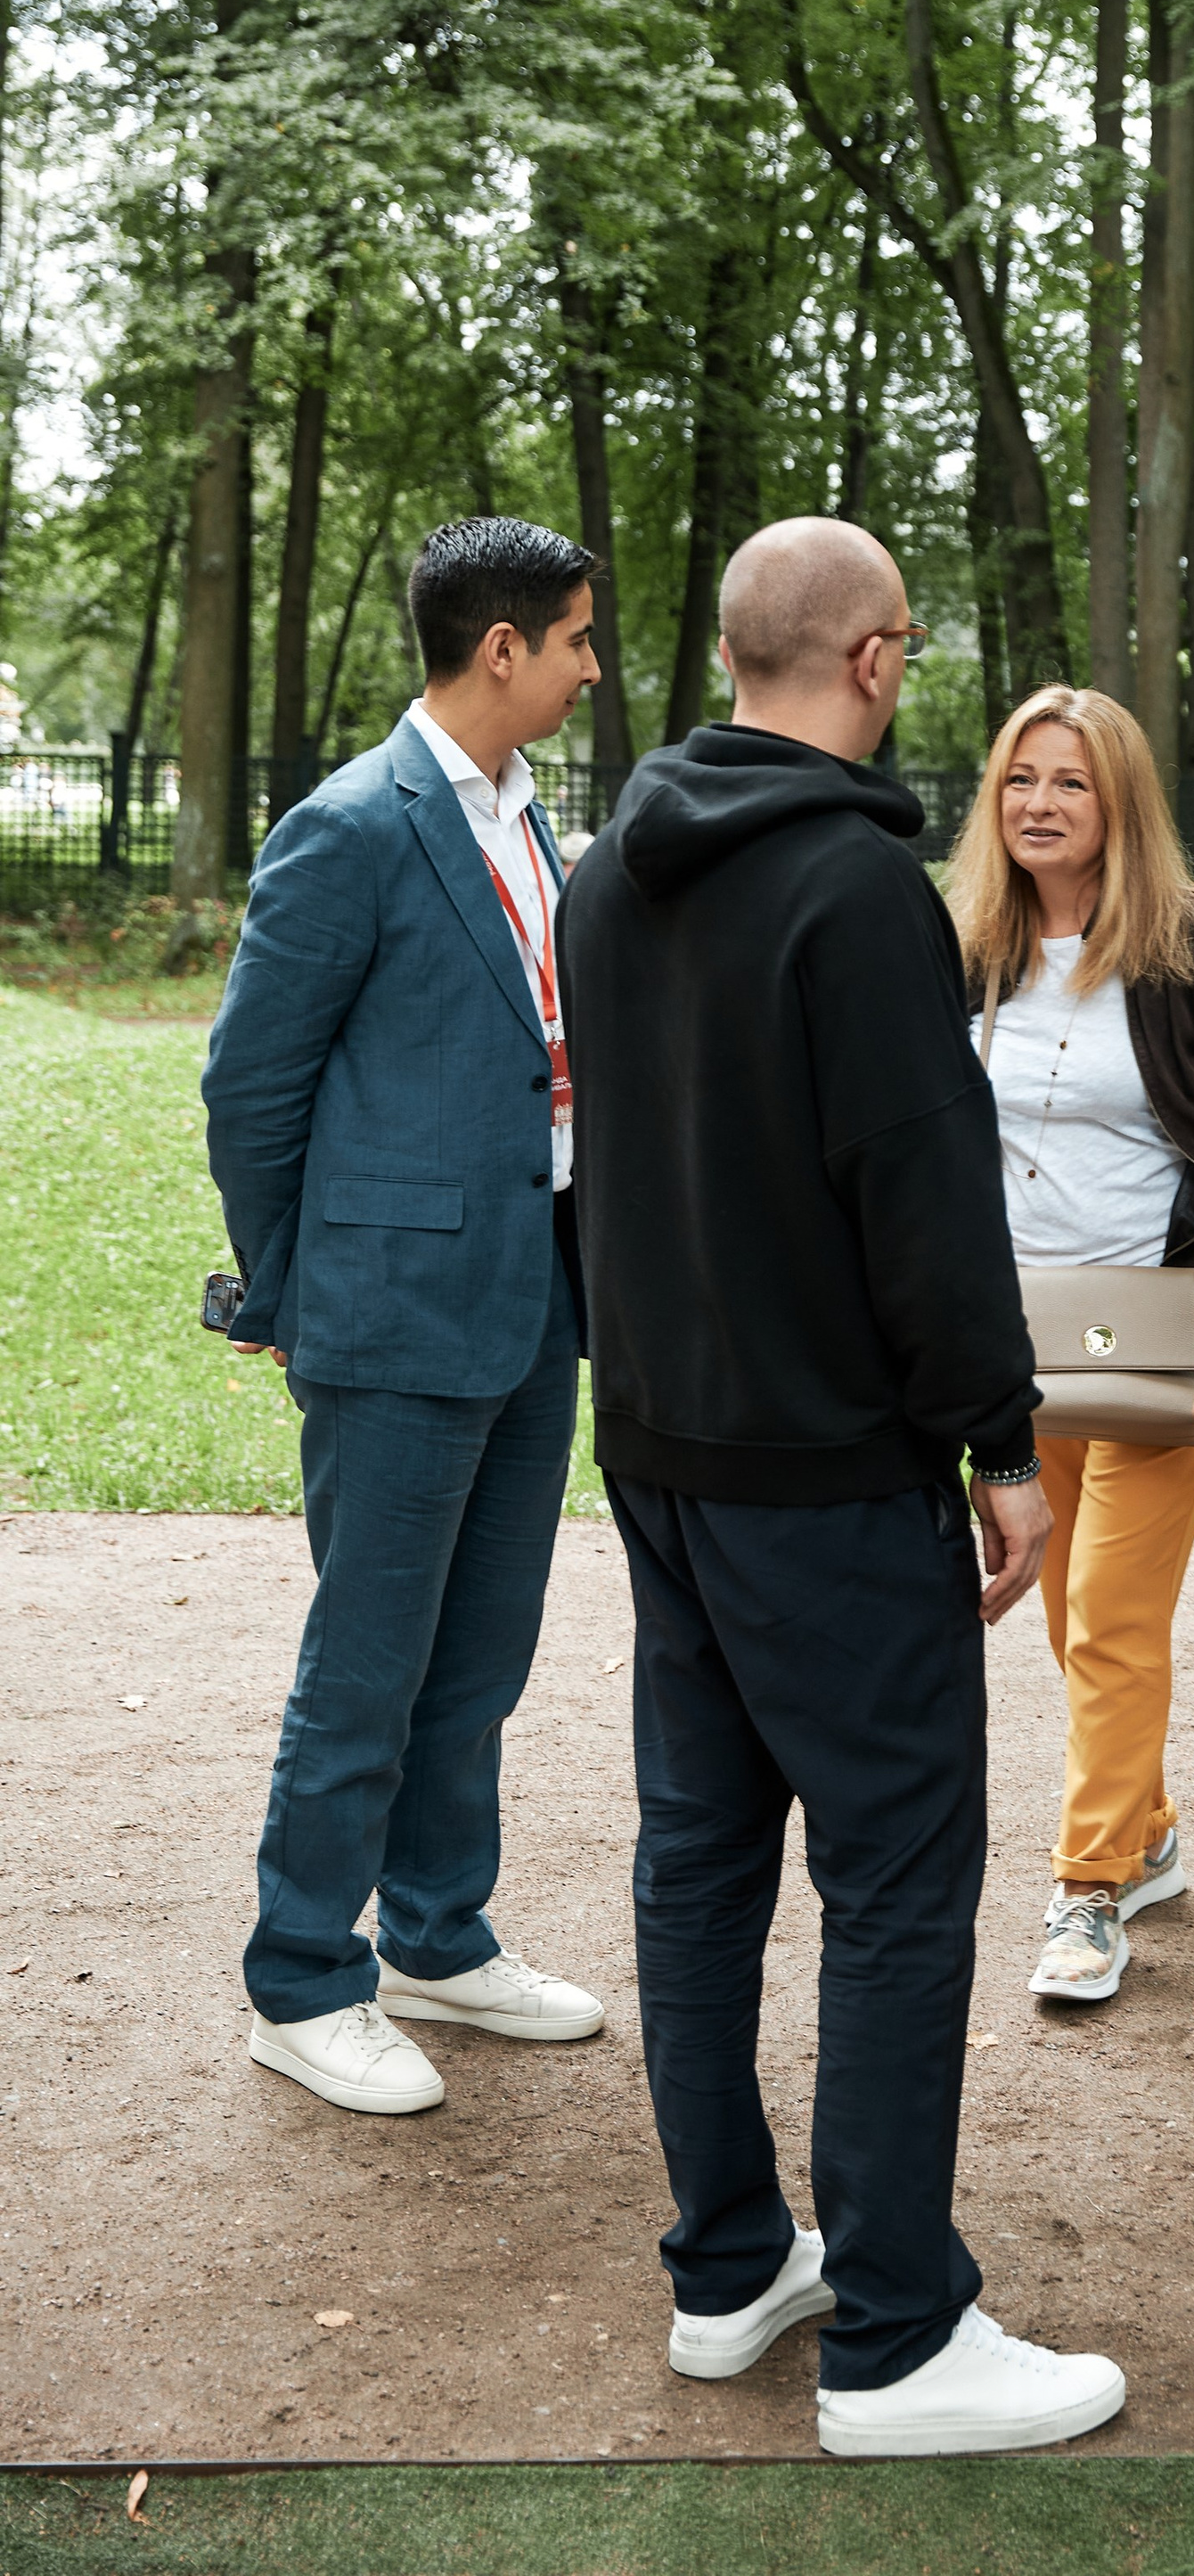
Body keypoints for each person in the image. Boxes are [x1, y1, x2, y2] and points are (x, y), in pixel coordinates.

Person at [557, 517, 1125, 2458]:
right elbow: (922, 1194)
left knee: (699, 1858)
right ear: (875, 657)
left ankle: (729, 2271)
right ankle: (893, 2332)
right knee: (894, 1877)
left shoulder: (599, 877)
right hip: (818, 1471)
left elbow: (601, 1168)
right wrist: (997, 1442)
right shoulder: (858, 895)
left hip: (664, 1450)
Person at [204, 516, 609, 2118]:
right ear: (500, 647)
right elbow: (252, 1083)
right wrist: (298, 1287)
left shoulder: (527, 819)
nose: (589, 666)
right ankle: (303, 1977)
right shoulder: (351, 825)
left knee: (481, 1649)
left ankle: (437, 1934)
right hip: (390, 1309)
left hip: (531, 1302)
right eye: (575, 638)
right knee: (366, 1659)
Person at [945, 685, 1194, 2008]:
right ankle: (1149, 1830)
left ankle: (1087, 1891)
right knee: (1071, 1618)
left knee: (1114, 1620)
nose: (1039, 805)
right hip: (1005, 1339)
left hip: (1152, 1332)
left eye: (1069, 782)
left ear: (1118, 799)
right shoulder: (964, 944)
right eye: (1021, 779)